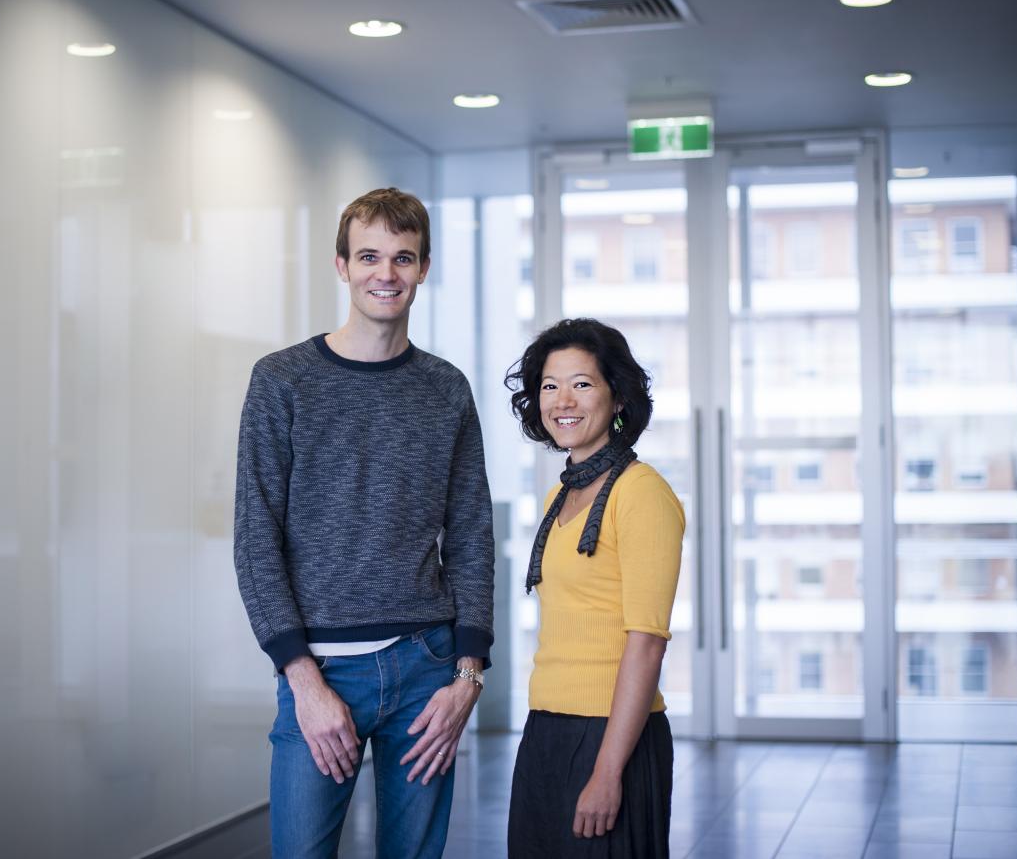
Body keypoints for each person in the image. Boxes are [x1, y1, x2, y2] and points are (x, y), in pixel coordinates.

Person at [233, 187, 495, 859]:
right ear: (342, 265)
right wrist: (302, 680)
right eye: (370, 256)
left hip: (426, 669)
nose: (387, 272)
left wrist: (468, 677)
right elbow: (256, 540)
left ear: (424, 268)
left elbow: (470, 536)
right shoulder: (281, 380)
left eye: (403, 258)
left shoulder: (446, 389)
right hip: (321, 674)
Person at [504, 318, 684, 858]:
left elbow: (646, 641)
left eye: (582, 383)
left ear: (617, 395)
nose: (563, 400)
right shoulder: (559, 499)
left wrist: (608, 771)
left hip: (614, 737)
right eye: (549, 386)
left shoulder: (642, 494)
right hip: (546, 732)